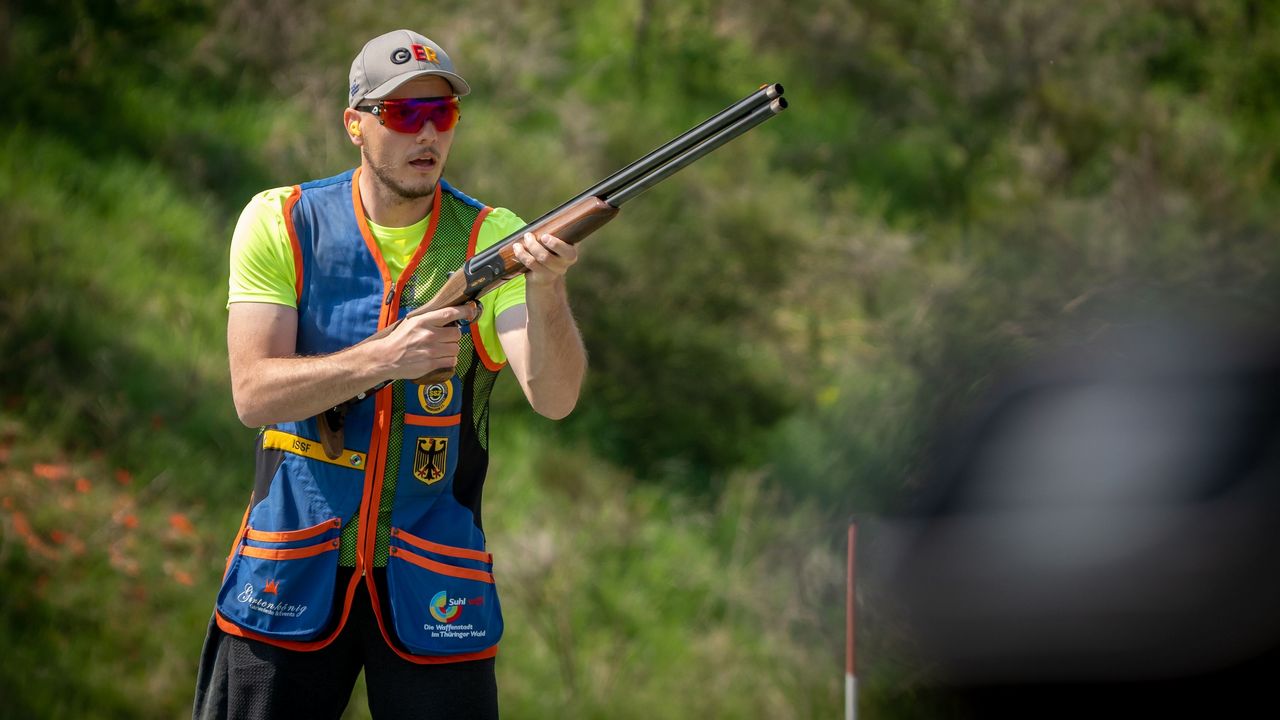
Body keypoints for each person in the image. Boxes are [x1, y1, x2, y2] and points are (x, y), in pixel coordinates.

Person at [192, 29, 586, 720]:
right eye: (404, 114)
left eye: (443, 113)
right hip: (286, 570)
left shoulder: (492, 237)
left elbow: (554, 397)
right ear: (355, 124)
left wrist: (549, 289)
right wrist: (385, 357)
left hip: (435, 583)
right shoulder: (283, 219)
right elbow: (253, 394)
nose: (427, 130)